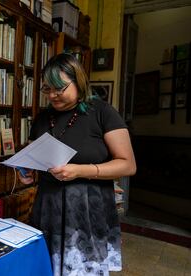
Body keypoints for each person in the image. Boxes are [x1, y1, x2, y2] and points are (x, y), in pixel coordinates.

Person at [18, 53, 136, 276]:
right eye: (47, 89)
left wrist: (80, 171)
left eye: (59, 88)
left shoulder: (102, 113)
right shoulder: (43, 118)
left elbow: (128, 165)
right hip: (48, 206)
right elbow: (34, 158)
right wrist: (28, 172)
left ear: (78, 81)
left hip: (88, 209)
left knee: (83, 269)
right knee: (47, 268)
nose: (52, 95)